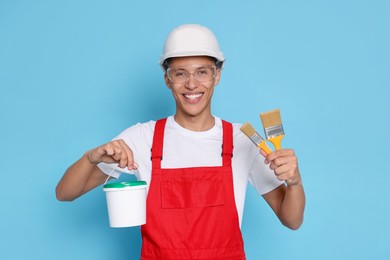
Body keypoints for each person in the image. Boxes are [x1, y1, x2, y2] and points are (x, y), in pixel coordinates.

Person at [56, 24, 305, 259]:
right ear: (167, 79)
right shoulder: (141, 138)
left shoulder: (243, 139)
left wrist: (294, 182)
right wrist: (91, 157)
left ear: (217, 76)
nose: (192, 84)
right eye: (180, 73)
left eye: (202, 72)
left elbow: (291, 220)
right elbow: (64, 193)